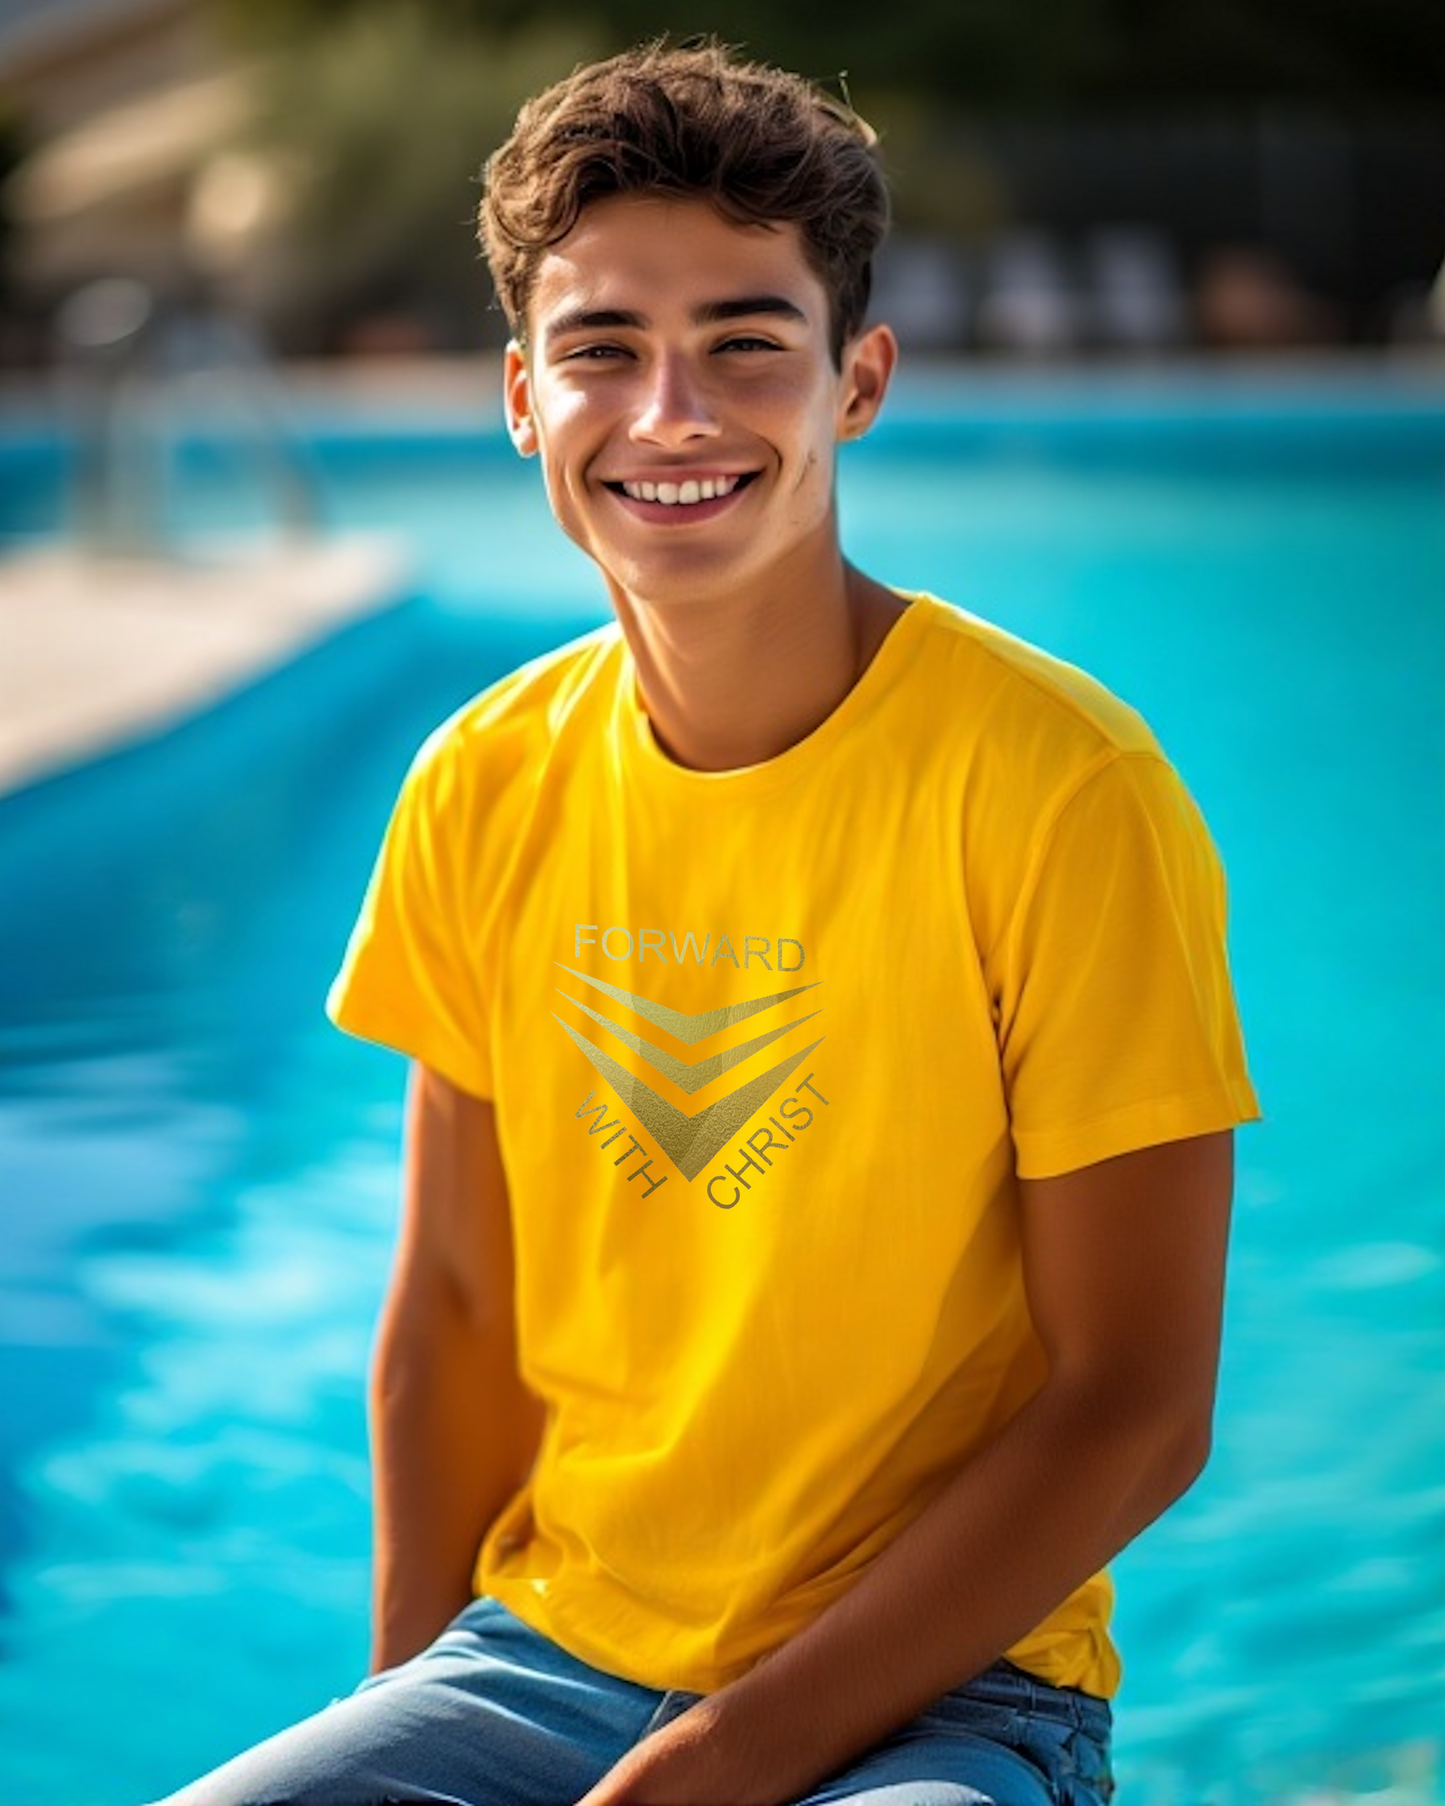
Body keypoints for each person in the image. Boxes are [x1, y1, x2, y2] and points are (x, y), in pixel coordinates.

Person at [159, 35, 1259, 1806]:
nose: (672, 414)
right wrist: (409, 1706)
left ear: (859, 381)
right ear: (523, 396)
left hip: (954, 1700)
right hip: (545, 1655)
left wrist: (718, 1765)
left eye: (747, 344)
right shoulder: (482, 779)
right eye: (603, 350)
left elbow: (1135, 1397)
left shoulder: (1061, 787)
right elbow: (451, 1303)